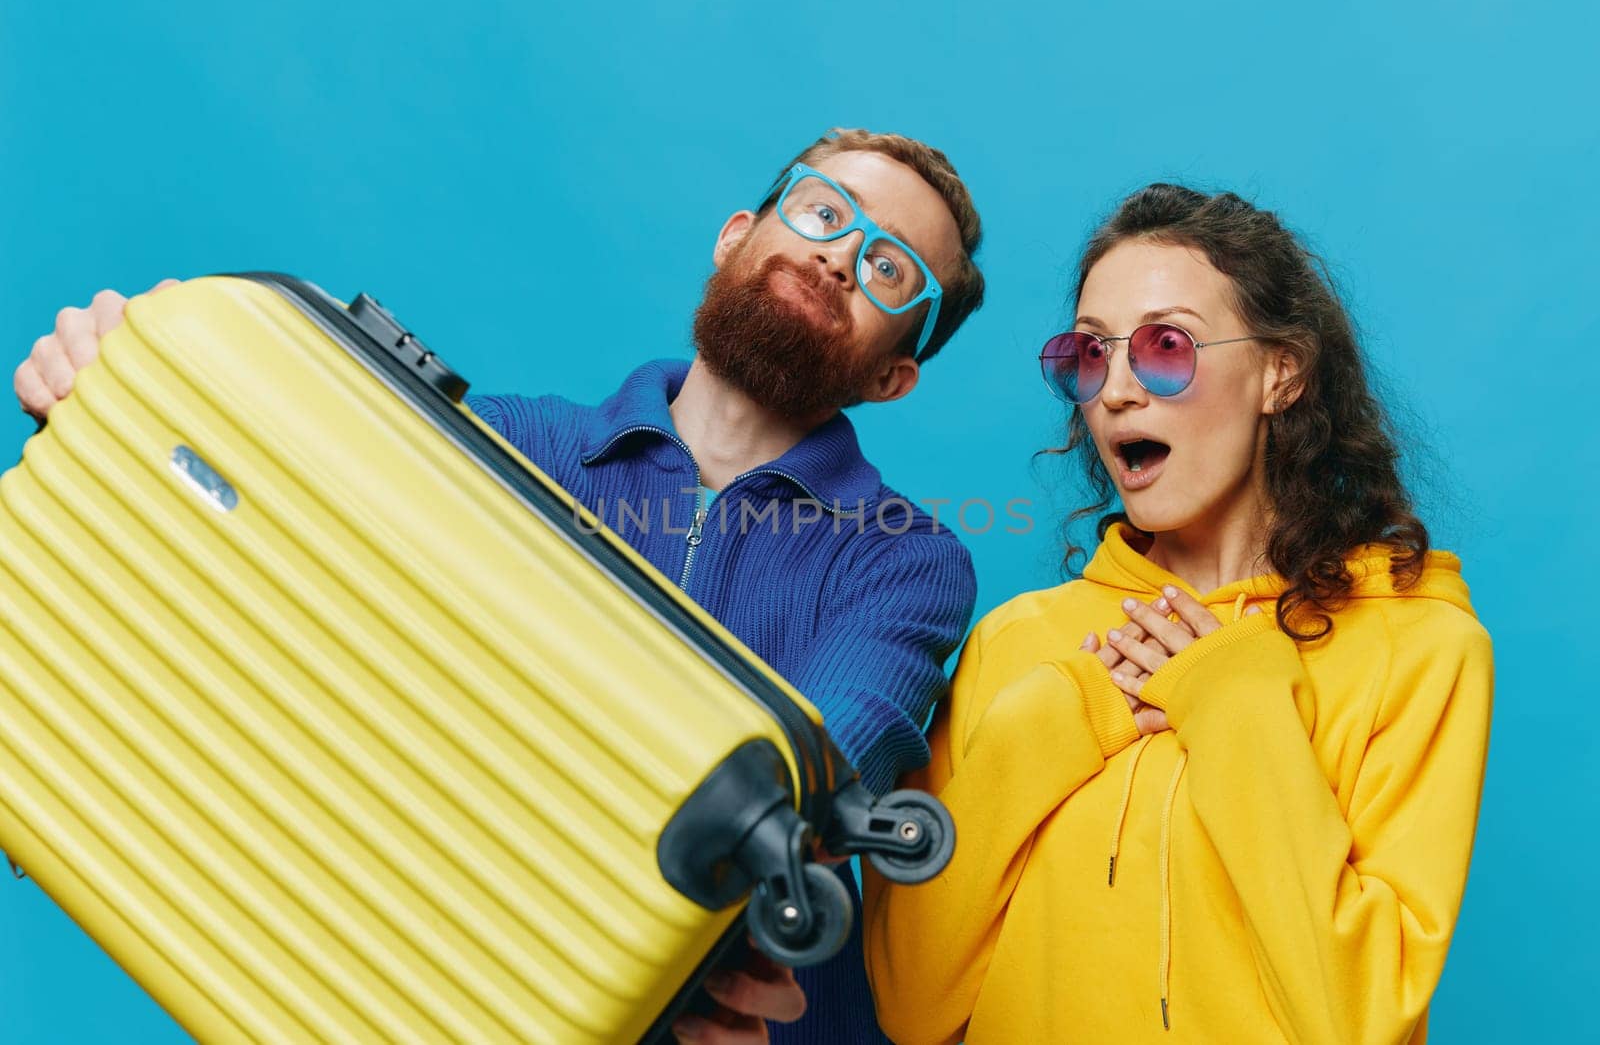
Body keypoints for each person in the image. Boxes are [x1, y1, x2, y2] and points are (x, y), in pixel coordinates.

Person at [14, 128, 987, 1045]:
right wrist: (120, 404)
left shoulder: (904, 560)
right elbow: (278, 625)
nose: (837, 256)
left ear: (894, 374)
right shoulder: (492, 445)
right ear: (737, 236)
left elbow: (818, 757)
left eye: (887, 267)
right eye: (824, 212)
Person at [863, 183, 1493, 1043]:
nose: (1116, 390)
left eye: (1166, 346)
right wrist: (1050, 726)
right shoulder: (1018, 643)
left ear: (1282, 371)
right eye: (1089, 355)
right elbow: (909, 1003)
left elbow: (1362, 1020)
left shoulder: (1418, 647)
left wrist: (1240, 707)